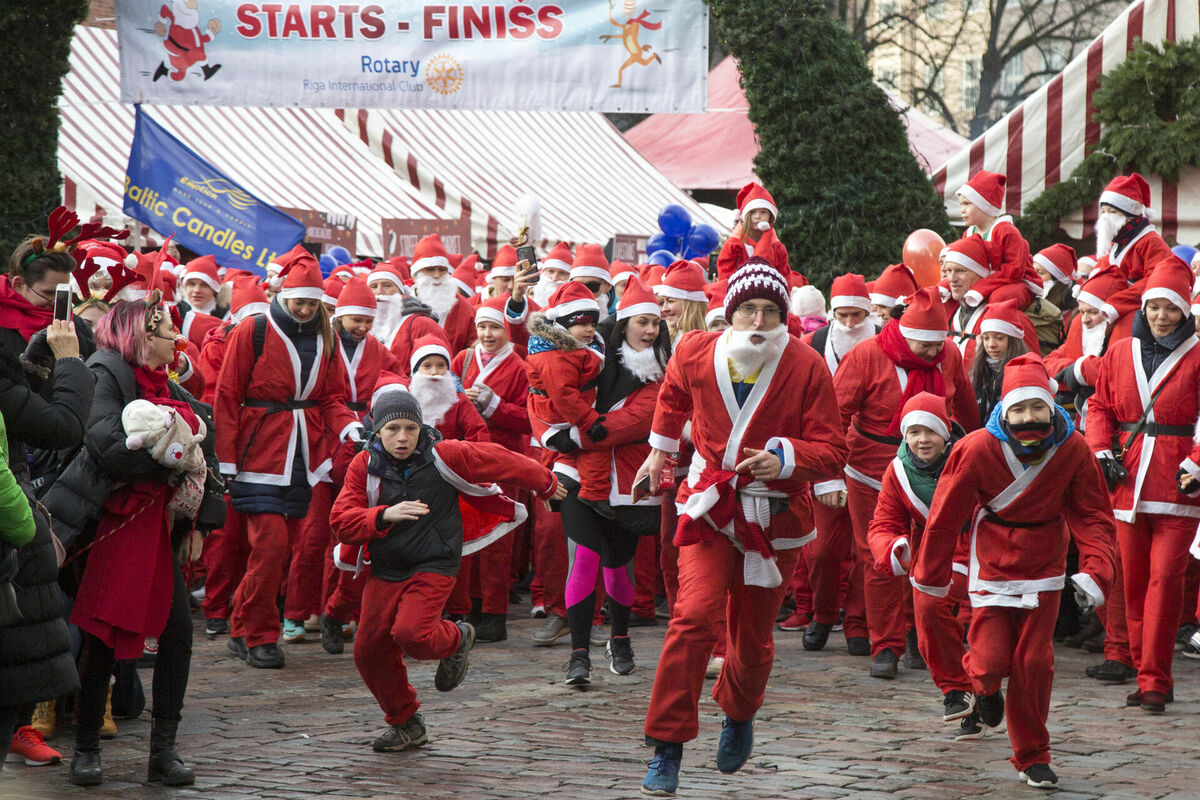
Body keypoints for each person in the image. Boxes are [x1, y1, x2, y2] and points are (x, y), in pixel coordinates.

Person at [636, 258, 847, 797]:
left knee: (751, 640)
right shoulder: (695, 350)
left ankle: (739, 710)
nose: (757, 320)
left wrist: (787, 456)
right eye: (748, 308)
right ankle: (668, 744)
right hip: (709, 504)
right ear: (729, 312)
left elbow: (833, 449)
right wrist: (659, 456)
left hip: (772, 516)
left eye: (769, 310)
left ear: (783, 316)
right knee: (694, 616)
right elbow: (671, 400)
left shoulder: (805, 365)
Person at [912, 354, 1116, 789]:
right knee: (988, 662)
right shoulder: (976, 448)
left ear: (1051, 407)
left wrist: (1097, 572)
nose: (1028, 417)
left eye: (1036, 408)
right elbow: (945, 515)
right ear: (1004, 409)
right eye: (1018, 409)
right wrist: (931, 575)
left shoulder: (1073, 448)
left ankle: (1033, 756)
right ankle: (984, 691)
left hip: (1044, 564)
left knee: (1033, 662)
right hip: (992, 562)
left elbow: (1094, 515)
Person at [329, 389, 563, 753]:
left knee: (412, 634)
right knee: (368, 650)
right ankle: (406, 723)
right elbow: (341, 521)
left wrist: (545, 482)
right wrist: (383, 515)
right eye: (393, 430)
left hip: (435, 560)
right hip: (387, 565)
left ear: (422, 428)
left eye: (411, 428)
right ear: (376, 431)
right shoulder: (365, 464)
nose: (403, 437)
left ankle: (457, 636)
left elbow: (500, 459)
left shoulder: (443, 454)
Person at [57, 296, 214, 787]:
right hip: (109, 522)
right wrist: (173, 459)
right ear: (143, 335)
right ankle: (86, 747)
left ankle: (163, 752)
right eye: (170, 331)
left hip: (158, 527)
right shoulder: (106, 371)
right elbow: (105, 446)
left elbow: (205, 442)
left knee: (178, 633)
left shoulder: (166, 382)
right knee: (103, 634)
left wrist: (198, 523)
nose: (177, 340)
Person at [214, 249, 357, 669]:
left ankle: (242, 626)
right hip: (258, 451)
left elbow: (330, 396)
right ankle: (260, 635)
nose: (307, 309)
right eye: (300, 301)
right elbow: (226, 395)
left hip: (303, 453)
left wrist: (347, 425)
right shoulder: (253, 329)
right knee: (271, 546)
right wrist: (225, 459)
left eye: (313, 303)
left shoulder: (325, 335)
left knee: (282, 548)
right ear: (283, 294)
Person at [834, 287, 979, 677]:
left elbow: (964, 404)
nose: (932, 353)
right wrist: (828, 472)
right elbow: (834, 414)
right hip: (870, 469)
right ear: (902, 331)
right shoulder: (867, 355)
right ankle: (885, 644)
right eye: (923, 345)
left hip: (936, 472)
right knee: (879, 553)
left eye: (938, 345)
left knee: (933, 551)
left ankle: (919, 631)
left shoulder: (948, 355)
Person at [0, 225, 96, 768]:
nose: (57, 309)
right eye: (47, 295)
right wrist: (71, 361)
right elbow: (59, 423)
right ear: (18, 283)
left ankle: (22, 720)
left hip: (26, 475)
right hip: (16, 485)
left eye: (66, 295)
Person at [1087, 259, 1200, 713]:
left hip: (1178, 487)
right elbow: (1099, 405)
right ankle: (1143, 668)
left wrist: (1197, 463)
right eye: (1154, 307)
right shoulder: (1119, 352)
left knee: (1164, 581)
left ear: (1183, 310)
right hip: (1127, 482)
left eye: (1169, 308)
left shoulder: (1197, 355)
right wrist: (1100, 450)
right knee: (1131, 583)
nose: (1160, 316)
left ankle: (1155, 679)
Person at [559, 277, 670, 686]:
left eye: (655, 324)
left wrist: (567, 433)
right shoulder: (590, 359)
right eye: (642, 322)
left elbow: (630, 424)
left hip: (627, 483)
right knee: (584, 562)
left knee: (619, 570)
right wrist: (546, 430)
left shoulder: (660, 374)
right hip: (577, 477)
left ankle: (619, 638)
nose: (650, 331)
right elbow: (551, 393)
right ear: (623, 324)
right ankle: (578, 654)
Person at [865, 393, 975, 733]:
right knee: (927, 611)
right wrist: (893, 547)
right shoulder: (898, 471)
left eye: (930, 431)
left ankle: (980, 689)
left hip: (979, 547)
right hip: (931, 552)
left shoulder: (973, 457)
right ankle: (956, 689)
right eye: (913, 432)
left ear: (946, 432)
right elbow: (883, 521)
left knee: (983, 629)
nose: (922, 440)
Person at [796, 274, 878, 650]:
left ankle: (858, 622)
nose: (849, 323)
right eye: (843, 315)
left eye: (857, 316)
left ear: (869, 312)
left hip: (868, 458)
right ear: (831, 313)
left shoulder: (881, 342)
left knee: (866, 547)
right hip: (823, 455)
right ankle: (823, 613)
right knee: (823, 547)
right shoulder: (814, 341)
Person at [448, 296, 533, 643]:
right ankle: (466, 605)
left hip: (503, 459)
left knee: (499, 537)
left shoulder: (520, 367)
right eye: (482, 326)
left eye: (495, 327)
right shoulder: (461, 359)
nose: (487, 333)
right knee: (465, 533)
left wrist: (494, 405)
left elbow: (530, 419)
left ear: (507, 331)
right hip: (465, 460)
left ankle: (495, 612)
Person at [954, 171, 1041, 311]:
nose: (962, 210)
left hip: (1017, 282)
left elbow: (1015, 270)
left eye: (967, 204)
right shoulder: (969, 233)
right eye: (961, 205)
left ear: (984, 205)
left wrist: (983, 286)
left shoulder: (1007, 231)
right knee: (947, 292)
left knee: (998, 298)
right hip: (988, 281)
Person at [969, 300, 1034, 422]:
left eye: (999, 338)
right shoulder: (979, 370)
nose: (991, 345)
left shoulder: (1025, 372)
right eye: (986, 338)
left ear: (1013, 340)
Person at [716, 183, 788, 279]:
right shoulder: (733, 245)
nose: (757, 216)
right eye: (753, 212)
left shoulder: (777, 247)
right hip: (738, 290)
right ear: (745, 216)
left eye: (763, 212)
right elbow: (725, 275)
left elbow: (784, 275)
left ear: (770, 216)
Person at [655, 260, 708, 342]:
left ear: (690, 304)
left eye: (670, 301)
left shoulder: (714, 340)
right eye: (663, 302)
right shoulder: (663, 341)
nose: (663, 309)